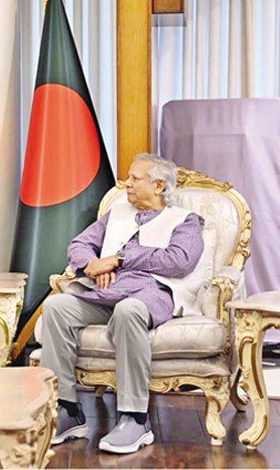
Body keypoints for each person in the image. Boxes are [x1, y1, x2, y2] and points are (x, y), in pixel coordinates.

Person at [38, 153, 205, 455]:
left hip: (152, 291)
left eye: (134, 178)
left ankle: (135, 418)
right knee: (57, 307)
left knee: (128, 311)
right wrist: (92, 265)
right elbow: (79, 244)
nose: (126, 183)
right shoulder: (117, 213)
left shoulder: (185, 221)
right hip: (107, 291)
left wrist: (120, 259)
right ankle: (67, 410)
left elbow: (180, 261)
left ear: (158, 186)